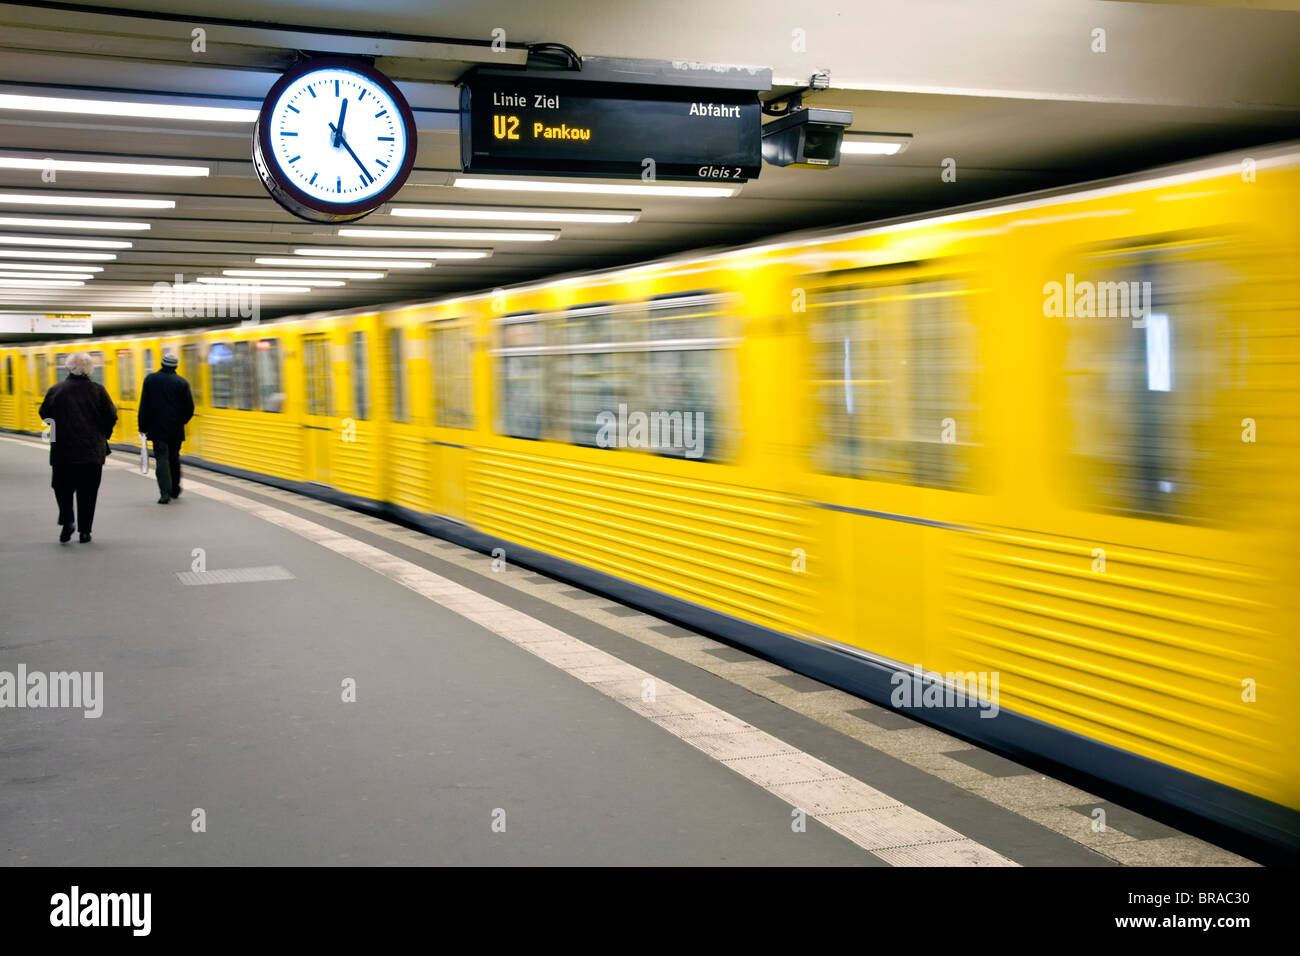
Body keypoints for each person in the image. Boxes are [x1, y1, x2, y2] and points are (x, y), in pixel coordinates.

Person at [39, 352, 117, 544]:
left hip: (63, 451)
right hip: (91, 452)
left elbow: (44, 414)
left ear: (68, 368)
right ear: (90, 369)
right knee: (88, 492)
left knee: (62, 488)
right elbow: (111, 415)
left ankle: (67, 520)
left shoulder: (56, 390)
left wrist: (57, 427)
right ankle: (85, 531)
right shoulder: (98, 390)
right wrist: (102, 435)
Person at [137, 350, 195, 504]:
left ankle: (164, 493)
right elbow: (190, 408)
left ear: (162, 364)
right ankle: (175, 489)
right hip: (176, 428)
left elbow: (144, 405)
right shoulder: (182, 383)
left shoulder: (151, 379)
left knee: (161, 458)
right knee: (174, 457)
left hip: (157, 428)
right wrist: (181, 421)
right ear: (176, 366)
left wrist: (142, 426)